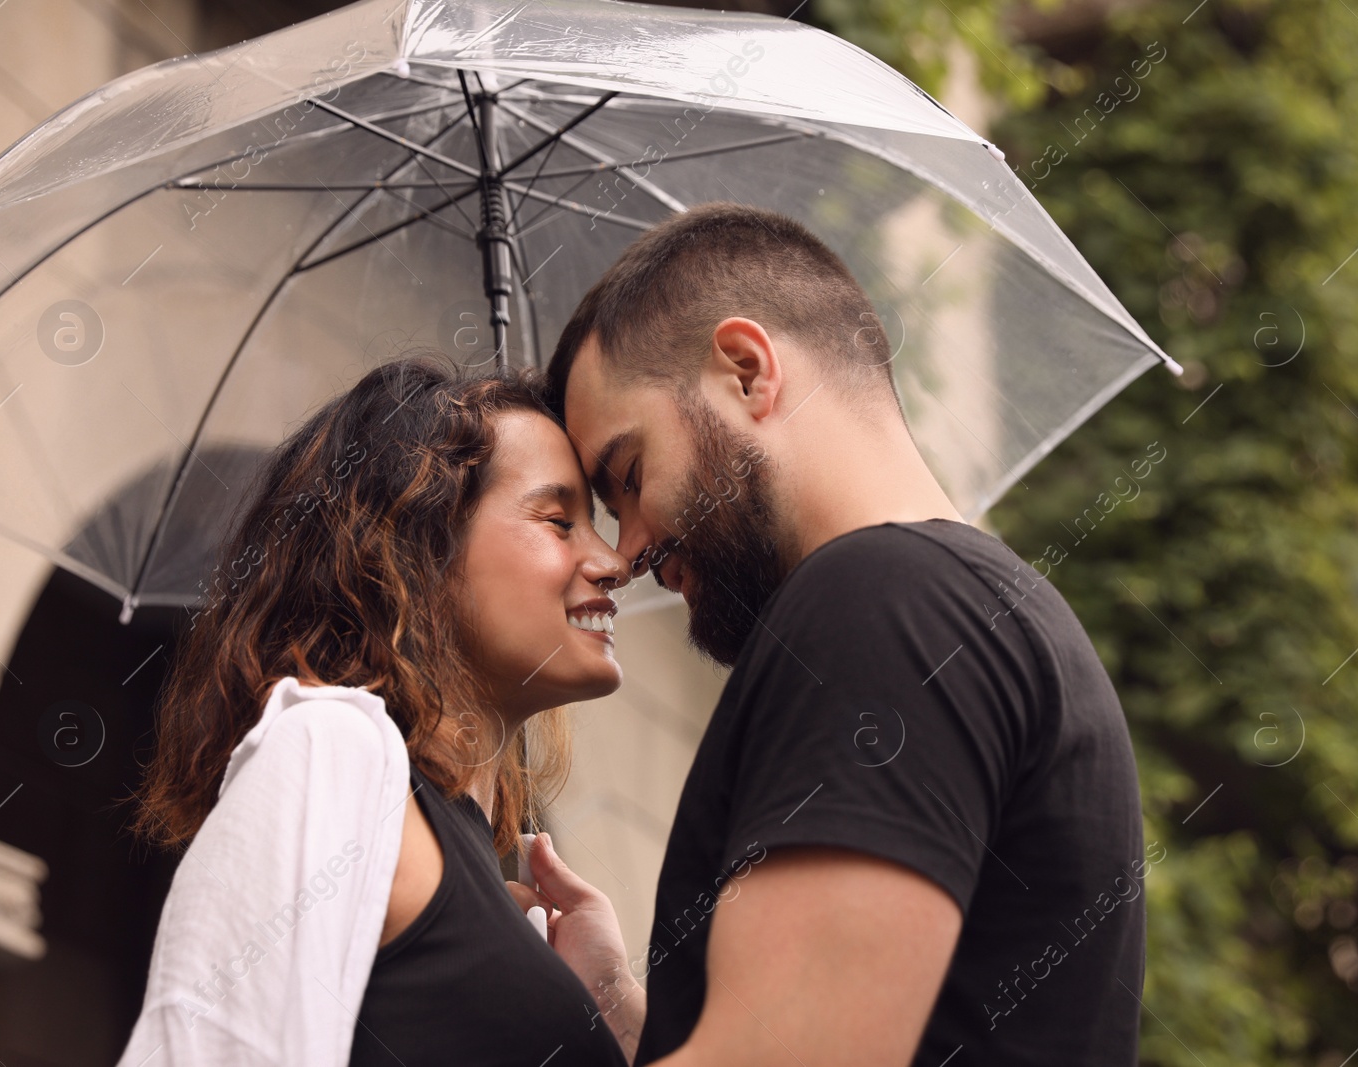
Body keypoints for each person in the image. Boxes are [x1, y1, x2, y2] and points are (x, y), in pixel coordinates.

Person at [529, 202, 1150, 1066]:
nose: (628, 549)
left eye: (630, 476)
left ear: (746, 371)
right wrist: (621, 1011)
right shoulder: (974, 607)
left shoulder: (882, 605)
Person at [115, 358, 636, 1067]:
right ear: (420, 548)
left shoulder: (497, 873)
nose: (613, 561)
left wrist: (610, 1005)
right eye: (559, 521)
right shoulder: (331, 746)